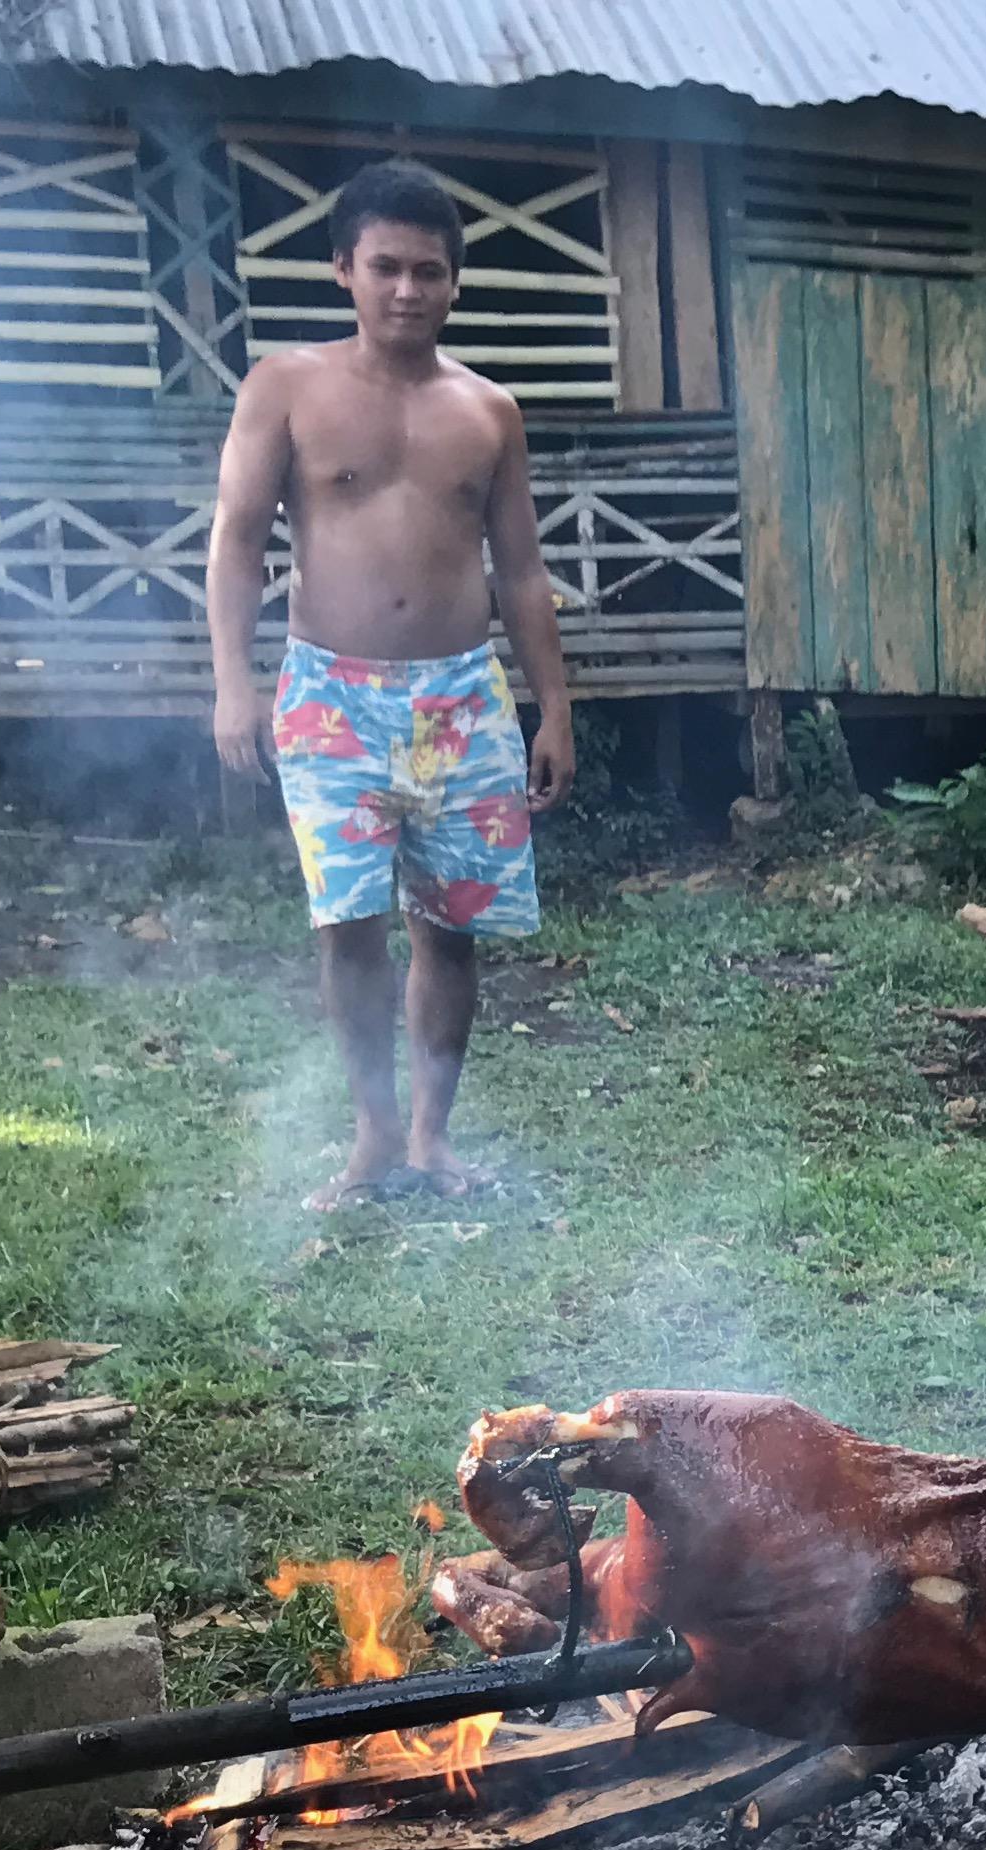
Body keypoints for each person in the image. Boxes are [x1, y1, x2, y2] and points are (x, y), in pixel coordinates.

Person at [208, 157, 572, 1210]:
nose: (407, 290)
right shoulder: (287, 386)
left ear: (455, 282)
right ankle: (370, 1134)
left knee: (449, 924)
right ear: (343, 271)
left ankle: (430, 1138)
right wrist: (233, 680)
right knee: (348, 922)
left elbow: (523, 569)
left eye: (428, 271)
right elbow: (235, 542)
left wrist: (555, 706)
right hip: (330, 696)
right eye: (385, 268)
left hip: (461, 699)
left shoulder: (489, 411)